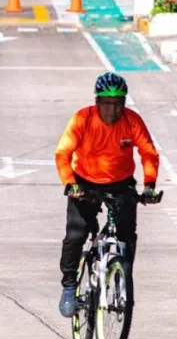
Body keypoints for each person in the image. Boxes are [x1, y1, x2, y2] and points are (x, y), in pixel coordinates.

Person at [54, 72, 161, 318]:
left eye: (118, 103)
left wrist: (150, 186)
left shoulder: (132, 120)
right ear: (97, 102)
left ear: (124, 103)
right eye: (107, 103)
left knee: (126, 233)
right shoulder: (83, 118)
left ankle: (123, 275)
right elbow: (63, 153)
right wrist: (70, 183)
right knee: (76, 234)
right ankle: (69, 285)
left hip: (120, 183)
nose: (112, 110)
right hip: (83, 183)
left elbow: (149, 153)